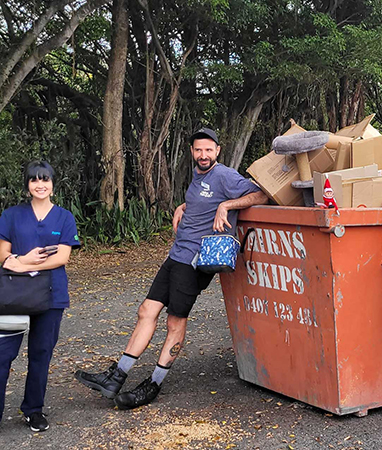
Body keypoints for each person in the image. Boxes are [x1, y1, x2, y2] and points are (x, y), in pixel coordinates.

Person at [75, 128, 268, 410]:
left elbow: (261, 196)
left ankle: (153, 384)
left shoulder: (225, 176)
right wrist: (184, 205)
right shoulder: (199, 175)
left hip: (194, 262)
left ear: (217, 151)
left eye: (208, 150)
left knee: (175, 322)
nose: (203, 155)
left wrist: (227, 205)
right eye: (198, 150)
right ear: (192, 151)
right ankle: (116, 377)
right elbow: (203, 201)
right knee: (146, 311)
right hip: (176, 255)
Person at [0, 161, 81, 432]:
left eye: (45, 180)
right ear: (27, 186)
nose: (40, 185)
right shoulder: (11, 216)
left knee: (41, 353)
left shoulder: (64, 217)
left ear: (53, 185)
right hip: (12, 297)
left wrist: (23, 264)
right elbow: (3, 254)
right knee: (3, 355)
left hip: (51, 296)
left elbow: (63, 256)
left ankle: (33, 410)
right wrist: (19, 259)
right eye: (34, 180)